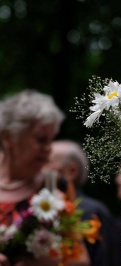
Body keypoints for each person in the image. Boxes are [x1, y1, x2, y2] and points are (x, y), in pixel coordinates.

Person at [0, 90, 90, 265]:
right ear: (8, 137)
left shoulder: (56, 187)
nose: (48, 149)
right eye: (41, 139)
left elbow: (81, 260)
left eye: (51, 140)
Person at [43, 139, 117, 266]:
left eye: (47, 161)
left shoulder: (93, 211)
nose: (40, 167)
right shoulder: (42, 206)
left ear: (71, 171)